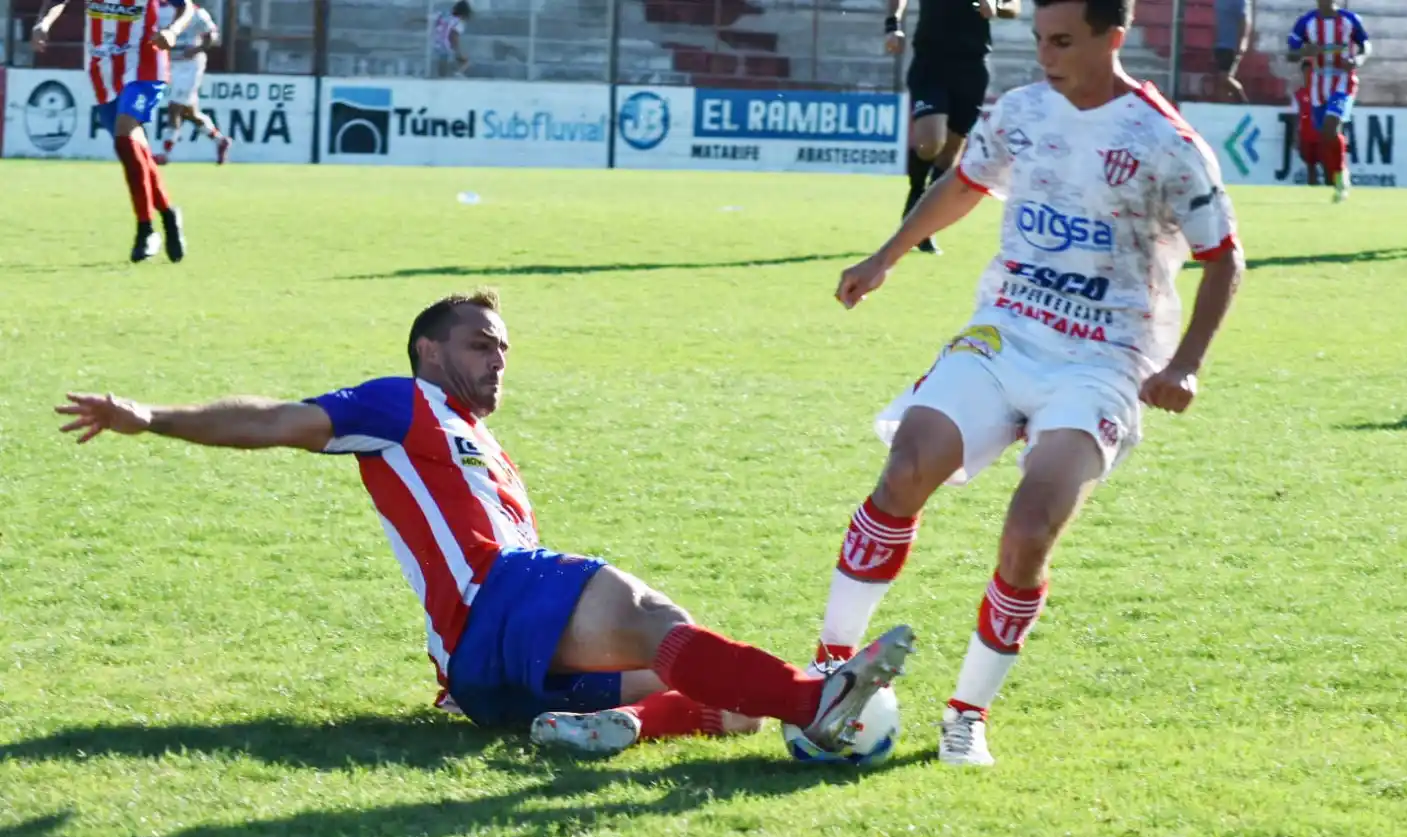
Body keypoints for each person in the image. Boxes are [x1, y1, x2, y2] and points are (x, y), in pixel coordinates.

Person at [55, 290, 914, 757]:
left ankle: (613, 726)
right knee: (655, 617)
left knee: (728, 706)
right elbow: (277, 420)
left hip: (489, 678)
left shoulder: (484, 445)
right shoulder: (401, 403)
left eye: (503, 348)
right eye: (479, 344)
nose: (497, 358)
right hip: (494, 603)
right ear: (429, 351)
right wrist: (151, 416)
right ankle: (817, 700)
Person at [814, 0, 1244, 766]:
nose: (1047, 56)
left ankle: (966, 715)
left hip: (1103, 358)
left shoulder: (1167, 143)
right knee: (907, 467)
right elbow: (965, 183)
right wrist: (885, 257)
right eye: (1040, 39)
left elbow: (1225, 259)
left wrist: (1185, 364)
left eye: (1064, 42)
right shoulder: (1022, 111)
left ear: (1114, 37)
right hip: (1005, 331)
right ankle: (827, 668)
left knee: (1030, 529)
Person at [32, 0, 194, 262]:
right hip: (103, 69)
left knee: (124, 137)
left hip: (145, 66)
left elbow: (185, 6)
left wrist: (173, 31)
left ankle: (145, 229)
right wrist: (43, 23)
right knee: (134, 150)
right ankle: (168, 214)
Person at [886, 0, 1020, 254]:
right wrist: (893, 25)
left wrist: (996, 7)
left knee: (950, 151)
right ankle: (916, 195)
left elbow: (1013, 6)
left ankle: (924, 226)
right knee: (930, 142)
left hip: (972, 66)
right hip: (929, 62)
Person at [1286, 0, 1370, 204]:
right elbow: (1291, 53)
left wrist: (1357, 60)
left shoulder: (1350, 20)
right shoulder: (1306, 22)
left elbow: (1365, 45)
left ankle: (1341, 178)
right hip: (1318, 84)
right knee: (1325, 134)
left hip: (1343, 81)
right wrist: (1305, 52)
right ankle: (1339, 174)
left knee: (1330, 127)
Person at [157, 0, 231, 166]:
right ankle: (221, 141)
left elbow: (212, 36)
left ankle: (165, 154)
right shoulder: (159, 10)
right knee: (189, 112)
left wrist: (196, 49)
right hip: (170, 65)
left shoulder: (196, 13)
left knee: (174, 108)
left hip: (190, 66)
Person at [1212, 0, 1251, 103]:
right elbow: (1217, 21)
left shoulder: (1239, 2)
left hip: (1230, 45)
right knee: (1221, 81)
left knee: (1224, 77)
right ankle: (1225, 106)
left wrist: (1242, 43)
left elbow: (1244, 22)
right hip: (1219, 45)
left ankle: (1244, 101)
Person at [1292, 61, 1322, 185]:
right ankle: (1313, 189)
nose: (1308, 75)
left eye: (1311, 72)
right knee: (1310, 166)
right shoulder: (1299, 94)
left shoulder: (1323, 93)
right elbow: (1296, 116)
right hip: (1306, 135)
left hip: (1322, 135)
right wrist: (1296, 137)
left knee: (1327, 165)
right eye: (1306, 72)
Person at [431, 1, 472, 78]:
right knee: (465, 62)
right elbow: (453, 35)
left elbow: (429, 19)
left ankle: (442, 77)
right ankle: (455, 75)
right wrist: (458, 51)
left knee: (442, 65)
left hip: (436, 43)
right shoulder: (459, 22)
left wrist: (413, 20)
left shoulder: (444, 15)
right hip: (447, 46)